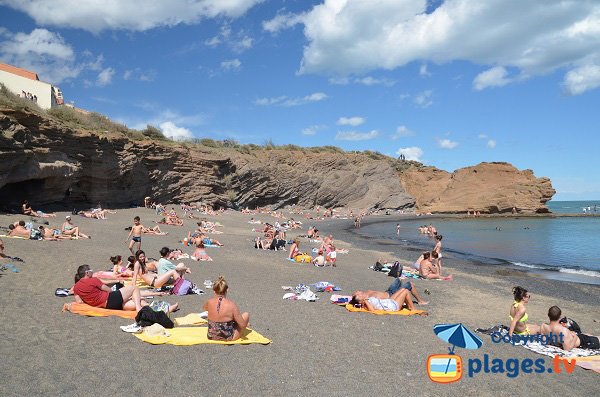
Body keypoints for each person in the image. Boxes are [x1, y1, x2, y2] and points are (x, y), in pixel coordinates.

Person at [73, 264, 148, 311]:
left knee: (135, 301)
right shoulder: (93, 280)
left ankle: (146, 306)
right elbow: (109, 290)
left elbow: (79, 301)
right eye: (90, 270)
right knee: (134, 287)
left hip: (106, 306)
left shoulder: (76, 287)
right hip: (109, 299)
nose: (92, 272)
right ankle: (139, 309)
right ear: (87, 273)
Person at [203, 276, 249, 341]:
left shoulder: (209, 302)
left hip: (211, 336)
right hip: (227, 337)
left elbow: (205, 308)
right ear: (227, 290)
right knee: (246, 315)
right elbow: (243, 325)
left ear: (214, 290)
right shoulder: (231, 305)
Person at [354, 278, 428, 305]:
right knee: (410, 284)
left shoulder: (367, 292)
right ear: (360, 299)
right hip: (392, 296)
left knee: (399, 279)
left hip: (389, 291)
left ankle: (409, 291)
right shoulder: (368, 299)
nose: (358, 291)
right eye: (357, 293)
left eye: (357, 291)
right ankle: (420, 301)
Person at [350, 288, 416, 312]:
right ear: (360, 301)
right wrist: (365, 301)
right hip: (392, 306)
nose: (360, 294)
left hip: (389, 301)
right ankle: (413, 309)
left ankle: (409, 306)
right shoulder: (365, 303)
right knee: (406, 291)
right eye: (359, 295)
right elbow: (372, 310)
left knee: (402, 289)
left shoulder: (366, 299)